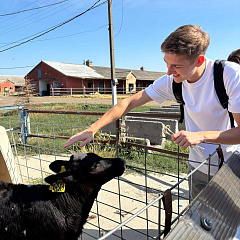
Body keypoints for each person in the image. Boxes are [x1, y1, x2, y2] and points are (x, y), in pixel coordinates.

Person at [64, 25, 240, 200]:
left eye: (176, 65)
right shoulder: (172, 80)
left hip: (231, 166)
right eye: (166, 63)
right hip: (198, 166)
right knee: (199, 223)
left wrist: (200, 136)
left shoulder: (230, 76)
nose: (169, 72)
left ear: (199, 61)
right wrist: (92, 129)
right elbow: (128, 102)